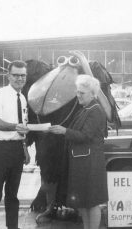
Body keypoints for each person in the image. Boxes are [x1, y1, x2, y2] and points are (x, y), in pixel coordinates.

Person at [49, 74, 108, 229]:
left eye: (82, 93)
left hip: (90, 163)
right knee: (83, 202)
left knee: (92, 202)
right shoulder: (86, 109)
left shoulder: (95, 110)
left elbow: (86, 136)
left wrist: (64, 131)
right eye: (78, 91)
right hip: (82, 162)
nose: (78, 95)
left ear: (93, 94)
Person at [0, 60, 30, 229]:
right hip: (0, 150)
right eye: (16, 75)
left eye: (23, 75)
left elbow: (22, 126)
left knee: (13, 195)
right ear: (8, 76)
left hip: (17, 150)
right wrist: (14, 126)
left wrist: (25, 148)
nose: (20, 78)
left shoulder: (23, 98)